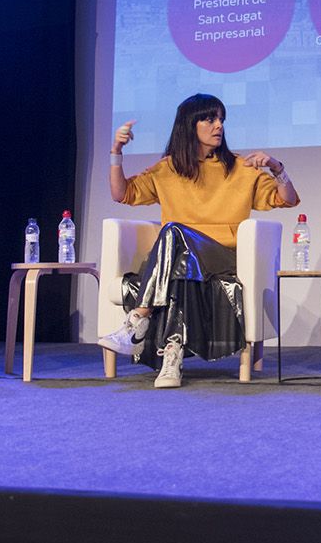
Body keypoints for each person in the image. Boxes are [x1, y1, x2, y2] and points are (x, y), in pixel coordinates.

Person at [101, 93, 299, 387]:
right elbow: (122, 194)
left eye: (221, 119)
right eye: (209, 119)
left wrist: (277, 167)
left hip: (224, 257)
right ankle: (172, 356)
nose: (219, 125)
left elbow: (288, 199)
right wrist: (116, 151)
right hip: (180, 260)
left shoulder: (240, 168)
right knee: (180, 263)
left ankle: (138, 318)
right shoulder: (167, 169)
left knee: (173, 231)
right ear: (189, 125)